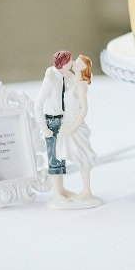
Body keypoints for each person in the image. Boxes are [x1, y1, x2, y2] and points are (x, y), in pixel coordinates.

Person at [55, 54, 101, 208]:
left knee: (83, 157)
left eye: (78, 62)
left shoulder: (81, 86)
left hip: (75, 125)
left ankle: (86, 191)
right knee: (76, 156)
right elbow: (63, 71)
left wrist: (74, 127)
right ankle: (82, 191)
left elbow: (84, 109)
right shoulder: (73, 81)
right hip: (67, 123)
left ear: (83, 67)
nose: (74, 62)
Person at [34, 50, 73, 199]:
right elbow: (38, 104)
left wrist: (67, 73)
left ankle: (61, 189)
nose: (72, 63)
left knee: (61, 156)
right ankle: (57, 193)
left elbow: (77, 80)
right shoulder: (50, 79)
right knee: (54, 159)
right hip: (52, 121)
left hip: (62, 120)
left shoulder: (61, 75)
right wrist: (44, 127)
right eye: (69, 61)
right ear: (63, 63)